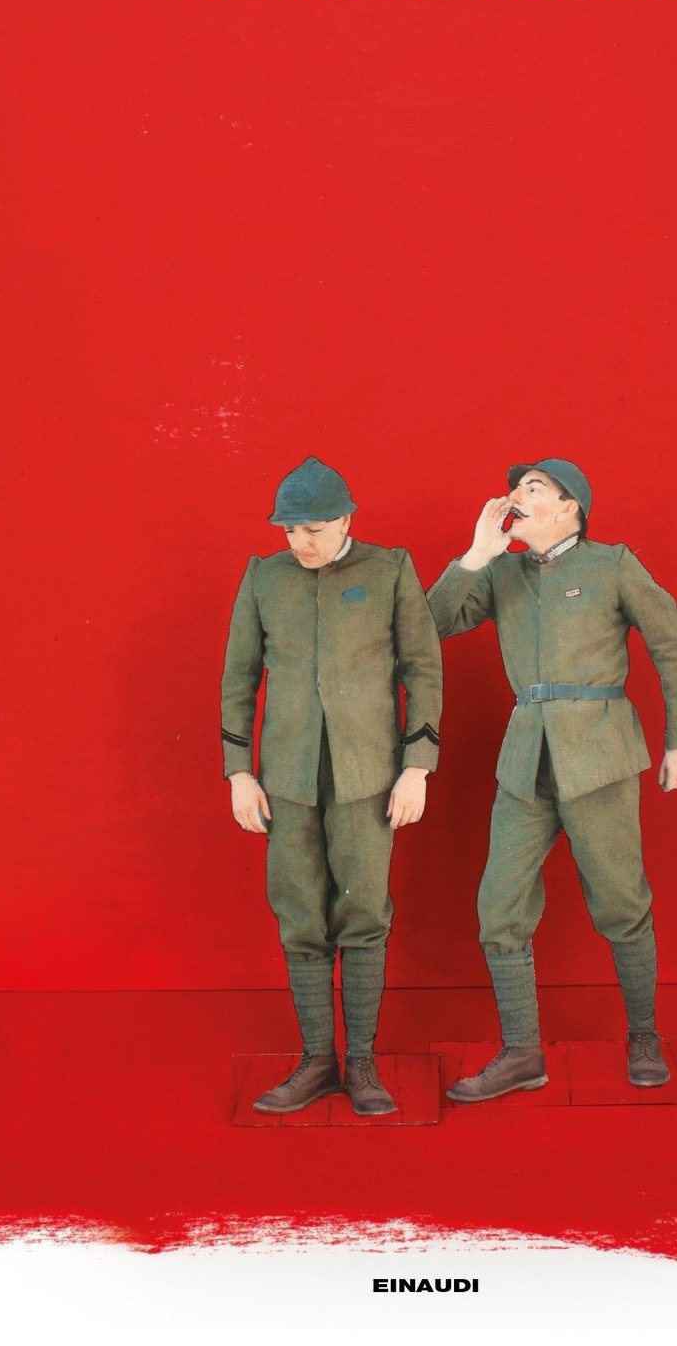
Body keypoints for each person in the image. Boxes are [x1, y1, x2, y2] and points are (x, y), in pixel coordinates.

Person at [427, 458, 677, 1099]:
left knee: (621, 900)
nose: (514, 497)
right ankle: (523, 1054)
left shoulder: (613, 564)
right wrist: (476, 554)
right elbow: (427, 627)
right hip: (526, 760)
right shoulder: (503, 572)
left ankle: (644, 1037)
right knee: (499, 907)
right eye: (514, 488)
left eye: (533, 488)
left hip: (600, 755)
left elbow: (672, 643)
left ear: (571, 506)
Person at [221, 457, 442, 1116]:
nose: (300, 542)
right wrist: (239, 772)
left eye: (313, 528)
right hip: (286, 779)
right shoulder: (264, 577)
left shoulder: (390, 569)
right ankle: (318, 1061)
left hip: (368, 777)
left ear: (346, 519)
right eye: (290, 530)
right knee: (299, 915)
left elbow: (423, 669)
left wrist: (417, 765)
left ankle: (362, 1065)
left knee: (364, 913)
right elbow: (238, 680)